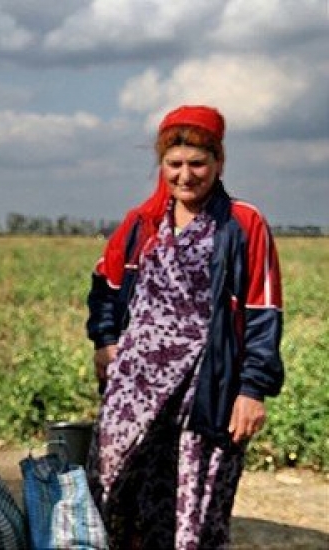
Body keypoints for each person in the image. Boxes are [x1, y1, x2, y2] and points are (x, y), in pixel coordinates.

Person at [85, 105, 285, 548]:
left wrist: (251, 391)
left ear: (219, 162)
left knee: (198, 500)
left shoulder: (242, 224)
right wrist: (106, 341)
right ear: (162, 165)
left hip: (206, 385)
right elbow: (106, 283)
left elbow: (263, 311)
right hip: (136, 384)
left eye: (198, 163)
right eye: (175, 164)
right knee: (115, 487)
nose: (186, 175)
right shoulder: (143, 223)